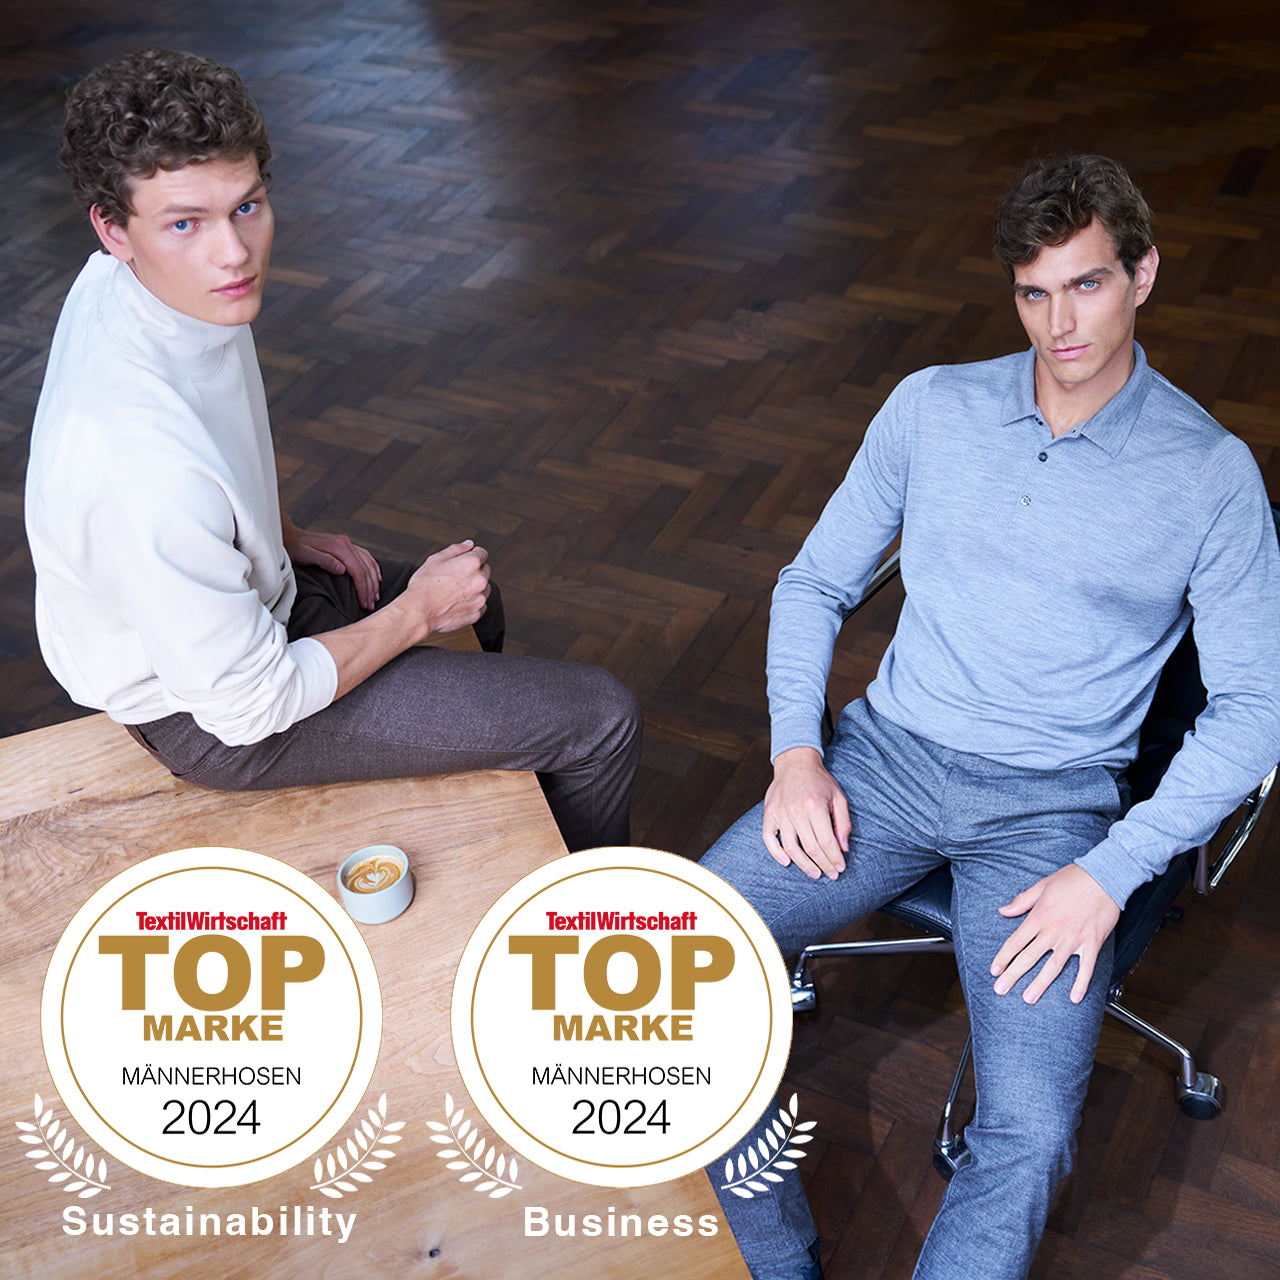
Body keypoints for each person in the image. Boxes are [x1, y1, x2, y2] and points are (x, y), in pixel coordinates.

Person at [701, 153, 1280, 1279]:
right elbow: (810, 583)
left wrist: (1109, 871)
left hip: (1051, 817)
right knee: (688, 962)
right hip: (883, 764)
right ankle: (778, 1263)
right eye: (1032, 291)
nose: (1058, 324)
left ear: (1142, 274)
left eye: (1086, 285)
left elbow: (1256, 713)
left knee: (1025, 1129)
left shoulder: (1208, 475)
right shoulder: (930, 406)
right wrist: (793, 752)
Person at [25, 48, 641, 852]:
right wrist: (418, 613)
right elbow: (247, 705)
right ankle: (589, 928)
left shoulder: (150, 287)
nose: (233, 253)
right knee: (599, 719)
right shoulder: (142, 466)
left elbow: (217, 443)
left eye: (246, 207)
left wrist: (282, 533)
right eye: (186, 223)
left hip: (259, 600)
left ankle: (521, 813)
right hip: (218, 717)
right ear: (114, 229)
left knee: (486, 594)